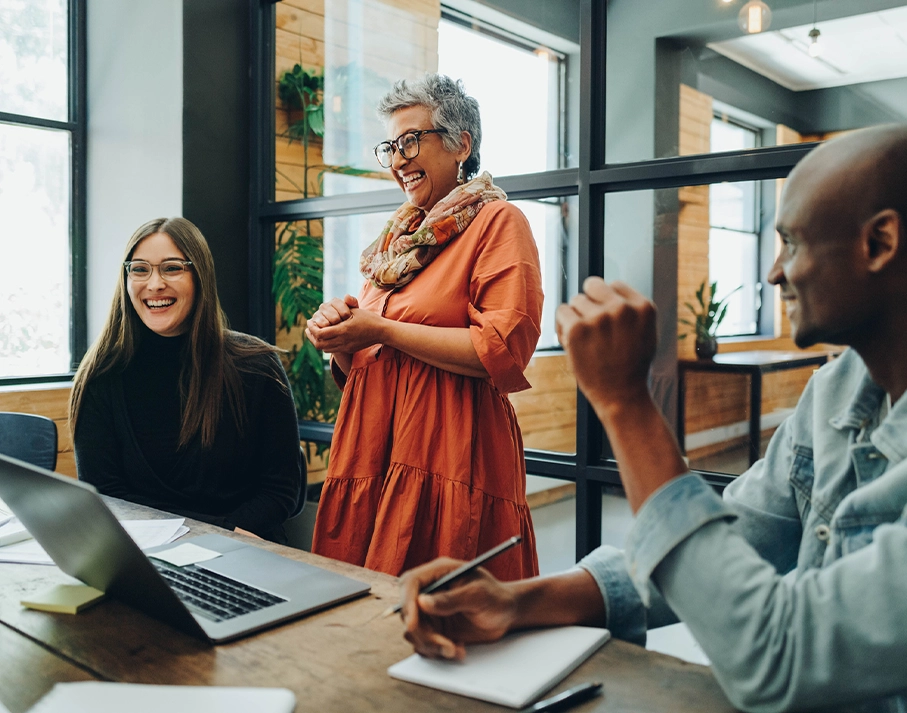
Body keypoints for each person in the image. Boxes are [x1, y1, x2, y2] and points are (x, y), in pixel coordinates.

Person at [397, 124, 907, 713]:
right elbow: (732, 539)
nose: (774, 274)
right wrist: (518, 601)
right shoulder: (836, 392)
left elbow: (777, 654)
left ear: (879, 243)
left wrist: (624, 403)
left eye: (791, 243)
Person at [305, 74, 543, 580]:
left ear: (462, 144)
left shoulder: (499, 223)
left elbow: (500, 350)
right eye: (390, 146)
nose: (397, 160)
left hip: (450, 454)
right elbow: (366, 364)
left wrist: (381, 330)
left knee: (447, 615)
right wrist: (341, 336)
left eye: (411, 140)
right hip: (373, 450)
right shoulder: (397, 242)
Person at [69, 217, 303, 542]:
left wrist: (219, 537)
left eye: (172, 268)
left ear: (200, 276)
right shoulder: (101, 375)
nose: (154, 284)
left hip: (244, 549)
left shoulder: (257, 365)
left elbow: (281, 490)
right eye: (140, 269)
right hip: (145, 555)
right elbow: (106, 495)